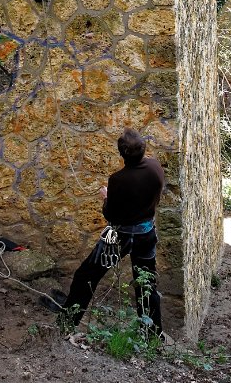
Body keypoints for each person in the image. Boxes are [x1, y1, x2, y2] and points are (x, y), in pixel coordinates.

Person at [41, 128, 165, 336]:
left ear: (122, 154)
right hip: (147, 234)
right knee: (147, 284)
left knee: (86, 275)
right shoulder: (155, 167)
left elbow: (112, 215)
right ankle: (152, 334)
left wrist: (106, 197)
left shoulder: (118, 179)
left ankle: (68, 320)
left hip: (121, 237)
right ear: (143, 149)